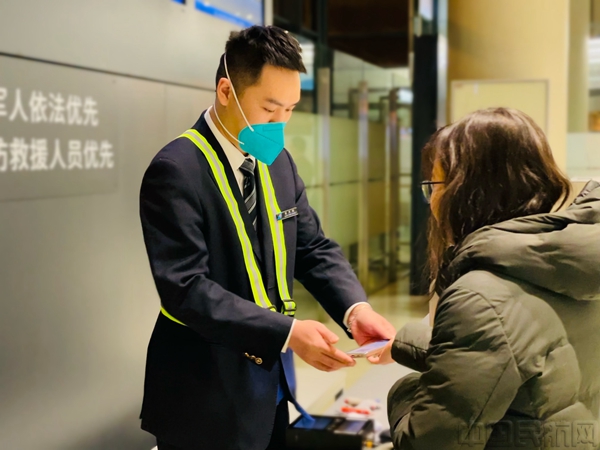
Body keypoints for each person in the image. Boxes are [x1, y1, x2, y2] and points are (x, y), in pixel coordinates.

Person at [138, 25, 395, 450]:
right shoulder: (177, 170)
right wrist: (288, 333)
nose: (280, 124)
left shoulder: (277, 163)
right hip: (204, 393)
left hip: (270, 386)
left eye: (290, 109)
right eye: (270, 109)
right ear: (226, 91)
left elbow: (312, 247)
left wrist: (355, 309)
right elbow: (185, 288)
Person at [370, 108, 600, 449]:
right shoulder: (570, 260)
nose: (432, 201)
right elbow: (511, 350)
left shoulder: (480, 295)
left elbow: (430, 442)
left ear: (471, 191)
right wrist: (402, 344)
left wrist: (406, 391)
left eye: (434, 186)